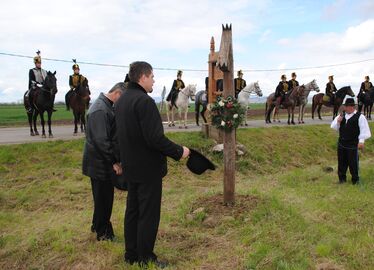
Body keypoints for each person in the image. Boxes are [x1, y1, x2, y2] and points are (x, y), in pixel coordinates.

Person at [115, 61, 190, 267]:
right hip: (147, 169)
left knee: (133, 211)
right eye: (152, 76)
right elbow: (154, 139)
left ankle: (131, 254)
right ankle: (146, 257)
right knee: (148, 214)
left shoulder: (121, 100)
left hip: (131, 167)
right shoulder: (144, 101)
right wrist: (179, 151)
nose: (154, 80)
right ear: (143, 77)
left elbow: (118, 136)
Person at [82, 82, 126, 241]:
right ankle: (104, 234)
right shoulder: (100, 110)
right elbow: (101, 141)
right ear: (117, 94)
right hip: (99, 163)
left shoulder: (106, 106)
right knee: (104, 199)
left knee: (101, 197)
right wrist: (114, 161)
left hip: (101, 161)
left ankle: (96, 225)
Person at [330, 98, 371, 185]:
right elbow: (334, 128)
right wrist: (338, 122)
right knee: (341, 162)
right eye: (345, 106)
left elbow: (364, 130)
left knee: (353, 163)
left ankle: (355, 180)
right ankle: (342, 180)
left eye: (348, 106)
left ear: (352, 107)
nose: (346, 108)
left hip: (353, 144)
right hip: (342, 143)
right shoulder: (341, 115)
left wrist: (361, 141)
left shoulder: (360, 116)